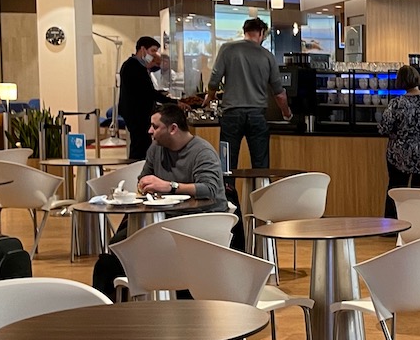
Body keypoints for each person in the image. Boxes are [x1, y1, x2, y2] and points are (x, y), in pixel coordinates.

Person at [91, 104, 228, 295]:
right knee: (112, 257)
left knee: (151, 252)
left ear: (173, 128)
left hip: (198, 221)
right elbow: (143, 178)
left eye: (155, 127)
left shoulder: (202, 152)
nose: (149, 131)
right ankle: (112, 303)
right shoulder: (156, 149)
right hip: (164, 218)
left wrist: (170, 186)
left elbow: (210, 189)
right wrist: (144, 185)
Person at [208, 17, 290, 171]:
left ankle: (227, 194)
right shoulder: (268, 56)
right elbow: (279, 93)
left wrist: (209, 97)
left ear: (244, 31)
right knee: (260, 166)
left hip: (231, 113)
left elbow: (214, 80)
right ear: (261, 33)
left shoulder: (227, 49)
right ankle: (260, 194)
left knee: (227, 165)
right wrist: (287, 113)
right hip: (257, 114)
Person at [377, 65, 420, 218]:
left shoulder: (396, 104)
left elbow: (383, 128)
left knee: (395, 188)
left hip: (401, 154)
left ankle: (392, 225)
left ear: (400, 81)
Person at [118, 35, 171, 160]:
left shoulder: (137, 66)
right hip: (136, 114)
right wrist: (172, 102)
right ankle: (135, 170)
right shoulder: (133, 66)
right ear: (143, 49)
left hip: (138, 113)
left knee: (141, 143)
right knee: (139, 145)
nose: (154, 55)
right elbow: (148, 92)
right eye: (152, 51)